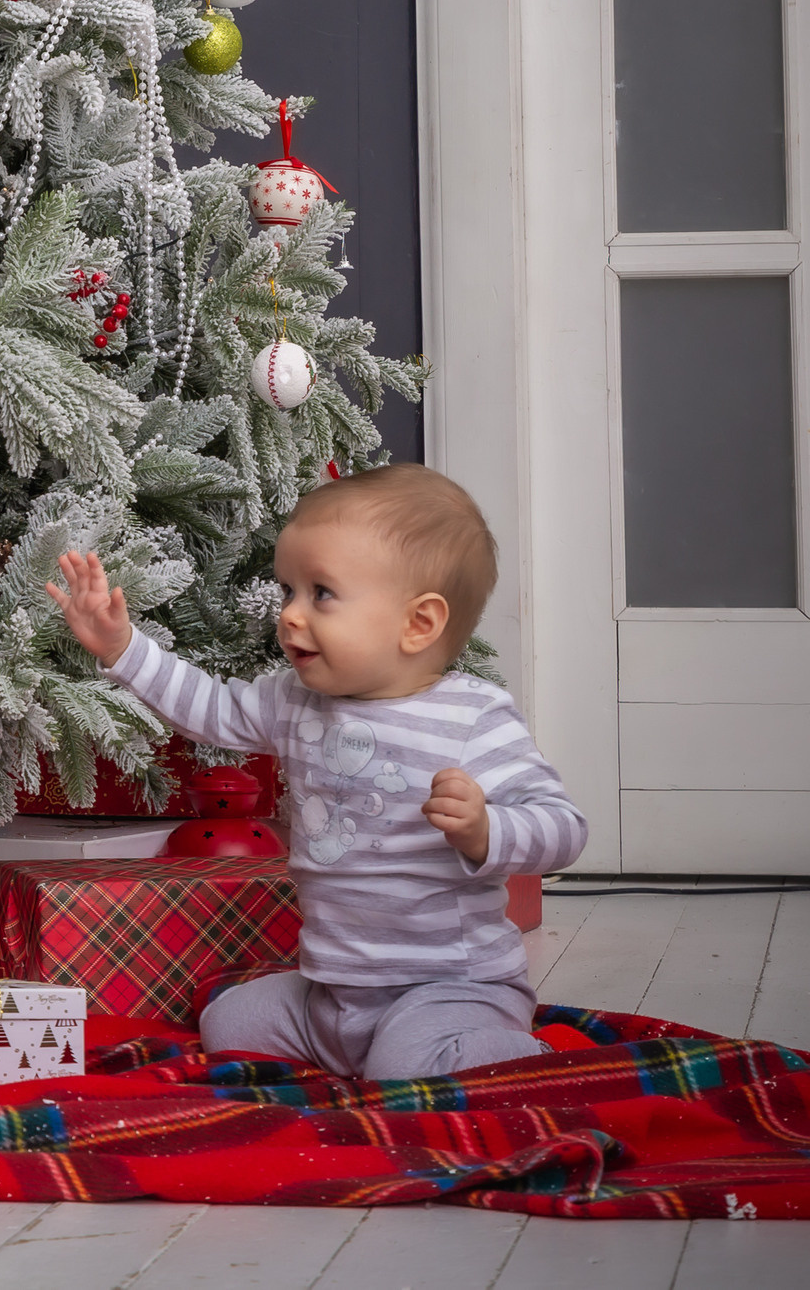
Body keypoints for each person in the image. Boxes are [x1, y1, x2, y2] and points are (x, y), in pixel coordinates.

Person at [46, 463, 585, 1081]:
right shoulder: (292, 700)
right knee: (228, 1025)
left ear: (418, 624)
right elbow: (210, 709)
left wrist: (486, 831)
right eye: (288, 591)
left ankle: (532, 1063)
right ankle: (360, 1054)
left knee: (407, 1069)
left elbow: (563, 828)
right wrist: (123, 650)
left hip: (450, 987)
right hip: (333, 989)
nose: (290, 615)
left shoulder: (471, 717)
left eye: (321, 593)